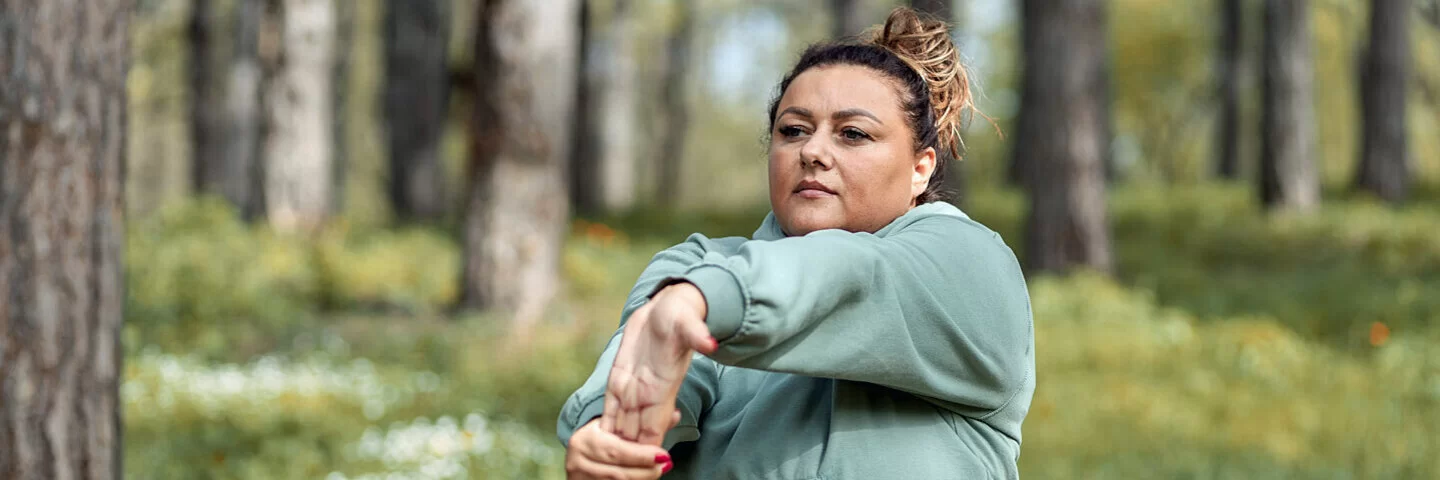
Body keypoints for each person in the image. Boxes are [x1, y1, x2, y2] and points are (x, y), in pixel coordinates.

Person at [557, 7, 1034, 479]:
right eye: (793, 130)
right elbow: (643, 386)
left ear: (920, 168)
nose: (812, 151)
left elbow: (855, 276)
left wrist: (706, 299)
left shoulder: (968, 264)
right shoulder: (696, 265)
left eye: (852, 133)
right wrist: (610, 438)